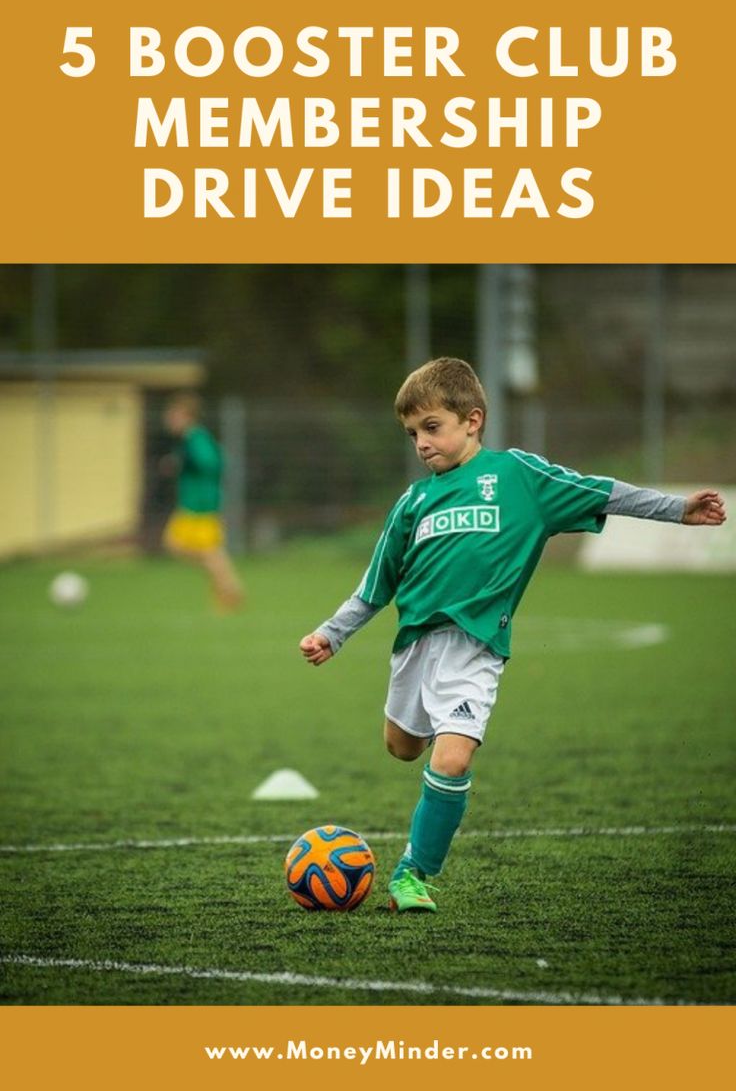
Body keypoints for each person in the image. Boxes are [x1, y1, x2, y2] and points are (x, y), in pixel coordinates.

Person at [299, 357, 726, 913]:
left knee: (451, 761)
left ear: (472, 420)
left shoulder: (519, 477)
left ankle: (413, 873)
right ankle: (437, 743)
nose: (421, 443)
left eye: (432, 427)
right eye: (412, 434)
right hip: (415, 648)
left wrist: (677, 509)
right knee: (402, 747)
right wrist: (332, 635)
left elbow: (601, 491)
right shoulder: (413, 503)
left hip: (476, 648)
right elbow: (375, 585)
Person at [161, 392, 244, 610]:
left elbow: (213, 462)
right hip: (193, 503)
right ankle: (227, 587)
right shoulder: (191, 439)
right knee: (182, 547)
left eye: (173, 415)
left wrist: (184, 463)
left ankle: (230, 589)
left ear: (186, 416)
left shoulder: (195, 437)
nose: (169, 420)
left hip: (200, 505)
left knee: (204, 551)